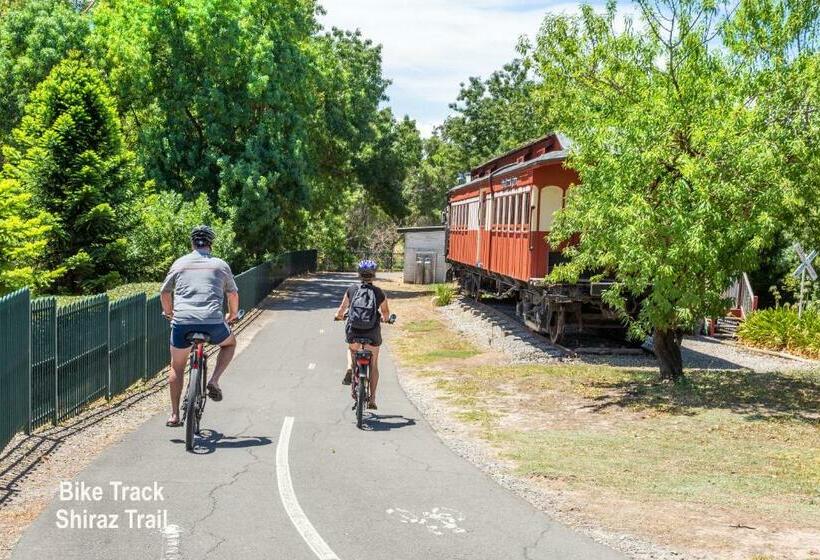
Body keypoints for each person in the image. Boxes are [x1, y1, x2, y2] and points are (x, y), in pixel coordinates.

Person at [160, 225, 240, 427]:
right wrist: (231, 314)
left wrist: (170, 314)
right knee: (229, 344)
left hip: (183, 322)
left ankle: (175, 415)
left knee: (177, 366)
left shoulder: (179, 263)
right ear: (211, 245)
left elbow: (165, 292)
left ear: (192, 243)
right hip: (213, 321)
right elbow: (232, 294)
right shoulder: (220, 265)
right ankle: (213, 380)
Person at [335, 260, 390, 410]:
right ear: (374, 275)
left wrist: (339, 316)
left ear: (359, 274)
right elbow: (385, 314)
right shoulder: (379, 293)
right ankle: (372, 399)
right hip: (372, 333)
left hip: (354, 330)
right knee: (373, 365)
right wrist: (387, 320)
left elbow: (342, 309)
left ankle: (349, 367)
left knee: (352, 349)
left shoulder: (352, 289)